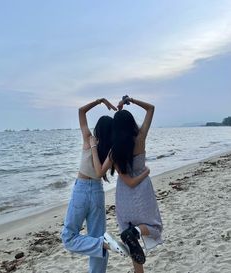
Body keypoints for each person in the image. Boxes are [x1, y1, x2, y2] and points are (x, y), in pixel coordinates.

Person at [90, 96, 163, 273]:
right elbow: (151, 108)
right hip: (143, 191)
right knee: (153, 227)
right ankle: (136, 232)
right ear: (131, 124)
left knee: (131, 241)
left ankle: (134, 238)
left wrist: (93, 147)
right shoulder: (140, 139)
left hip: (124, 198)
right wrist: (129, 100)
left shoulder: (115, 151)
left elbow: (100, 173)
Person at [61, 98, 129, 273]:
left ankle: (102, 243)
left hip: (82, 190)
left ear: (98, 129)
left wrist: (100, 101)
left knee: (69, 238)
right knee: (98, 237)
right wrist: (118, 110)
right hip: (98, 192)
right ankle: (103, 244)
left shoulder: (89, 139)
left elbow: (81, 112)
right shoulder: (111, 149)